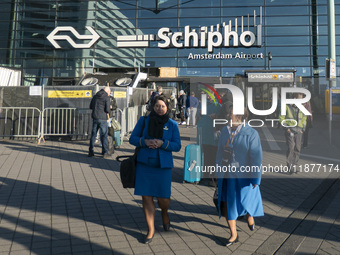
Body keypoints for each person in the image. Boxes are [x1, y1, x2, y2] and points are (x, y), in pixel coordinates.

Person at [129, 95, 181, 244]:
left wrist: (162, 143)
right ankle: (150, 230)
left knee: (164, 199)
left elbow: (177, 146)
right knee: (146, 197)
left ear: (167, 108)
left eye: (163, 106)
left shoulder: (172, 125)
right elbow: (132, 139)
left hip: (163, 166)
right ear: (153, 106)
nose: (160, 109)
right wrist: (145, 142)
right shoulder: (144, 121)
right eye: (157, 106)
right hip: (144, 165)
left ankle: (164, 212)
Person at [215, 106, 264, 246]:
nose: (228, 115)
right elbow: (219, 152)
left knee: (245, 200)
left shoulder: (251, 133)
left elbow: (256, 158)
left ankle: (250, 215)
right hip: (227, 174)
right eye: (228, 113)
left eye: (231, 113)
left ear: (240, 116)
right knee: (228, 204)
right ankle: (233, 234)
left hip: (245, 175)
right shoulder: (225, 131)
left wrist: (256, 178)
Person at [279, 93, 307, 173]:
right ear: (294, 99)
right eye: (299, 99)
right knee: (291, 147)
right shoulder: (286, 106)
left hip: (299, 131)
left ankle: (294, 165)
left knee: (297, 148)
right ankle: (290, 166)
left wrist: (303, 128)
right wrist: (286, 128)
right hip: (290, 130)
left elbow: (304, 118)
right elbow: (281, 117)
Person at [88, 86, 111, 158]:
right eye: (109, 92)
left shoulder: (95, 96)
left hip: (95, 117)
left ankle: (91, 151)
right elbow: (107, 110)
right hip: (103, 118)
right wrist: (109, 108)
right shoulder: (106, 97)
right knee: (104, 135)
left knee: (93, 135)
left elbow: (91, 106)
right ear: (107, 91)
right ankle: (105, 152)